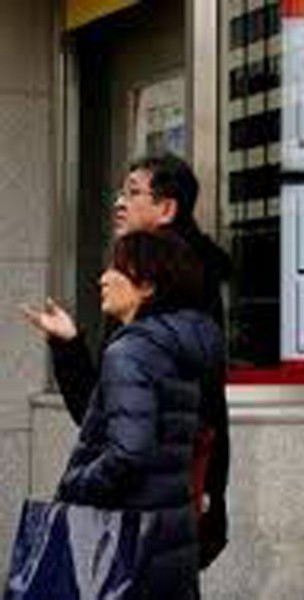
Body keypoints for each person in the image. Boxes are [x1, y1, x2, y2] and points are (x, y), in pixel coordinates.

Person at [22, 153, 231, 569]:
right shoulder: (165, 316)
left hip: (140, 515)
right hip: (170, 514)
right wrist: (69, 346)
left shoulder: (144, 328)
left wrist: (73, 487)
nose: (119, 202)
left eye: (133, 192)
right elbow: (103, 410)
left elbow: (128, 445)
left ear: (167, 209)